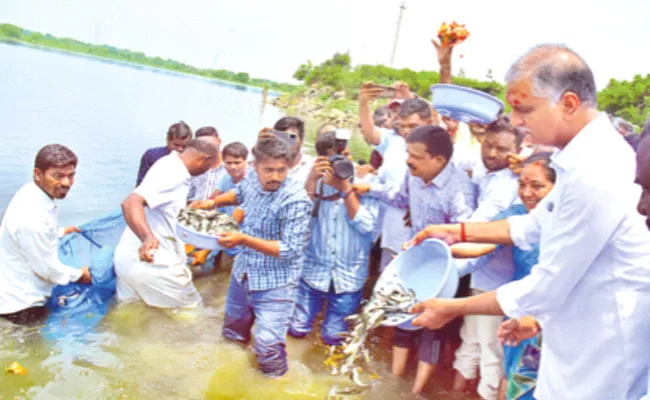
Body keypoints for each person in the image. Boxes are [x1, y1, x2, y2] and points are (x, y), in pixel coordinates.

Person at [407, 44, 650, 400]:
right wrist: (455, 230)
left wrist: (451, 308)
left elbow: (546, 286)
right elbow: (530, 226)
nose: (517, 122)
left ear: (567, 104)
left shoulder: (597, 169)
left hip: (603, 348)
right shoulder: (574, 162)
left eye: (525, 110)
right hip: (571, 337)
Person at [355, 125, 476, 395]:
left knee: (432, 329)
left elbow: (466, 237)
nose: (408, 161)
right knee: (402, 315)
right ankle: (394, 382)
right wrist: (365, 189)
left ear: (439, 160)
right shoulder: (414, 175)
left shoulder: (459, 191)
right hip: (417, 259)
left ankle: (416, 391)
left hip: (448, 269)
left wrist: (441, 261)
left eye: (416, 156)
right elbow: (399, 199)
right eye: (408, 153)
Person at [195, 136, 312, 377]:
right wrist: (212, 201)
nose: (276, 177)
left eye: (282, 170)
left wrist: (243, 239)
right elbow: (239, 194)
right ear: (255, 166)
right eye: (269, 170)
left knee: (268, 345)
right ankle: (233, 374)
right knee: (232, 334)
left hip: (276, 283)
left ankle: (275, 385)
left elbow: (290, 249)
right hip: (244, 272)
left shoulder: (296, 200)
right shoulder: (251, 179)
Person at [452, 153, 556, 400]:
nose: (527, 192)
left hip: (554, 316)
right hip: (520, 309)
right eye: (522, 184)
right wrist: (445, 251)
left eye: (537, 186)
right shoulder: (516, 214)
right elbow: (483, 245)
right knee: (512, 376)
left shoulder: (572, 223)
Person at [451, 116, 522, 400]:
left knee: (491, 353)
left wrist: (442, 268)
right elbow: (455, 162)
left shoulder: (510, 186)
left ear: (517, 150)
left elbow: (475, 234)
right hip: (480, 278)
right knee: (470, 343)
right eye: (488, 145)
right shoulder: (485, 169)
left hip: (500, 286)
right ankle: (453, 393)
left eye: (502, 149)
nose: (492, 153)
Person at [289, 130, 380, 346]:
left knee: (333, 336)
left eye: (345, 156)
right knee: (296, 329)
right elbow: (295, 219)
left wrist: (346, 189)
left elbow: (367, 225)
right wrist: (312, 180)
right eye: (334, 159)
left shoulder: (366, 183)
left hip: (348, 275)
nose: (341, 163)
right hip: (313, 270)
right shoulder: (310, 180)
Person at [115, 136, 221, 308]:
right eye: (208, 167)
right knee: (193, 316)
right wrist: (147, 238)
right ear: (204, 159)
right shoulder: (174, 174)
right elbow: (130, 202)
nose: (206, 171)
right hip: (154, 263)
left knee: (130, 313)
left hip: (127, 258)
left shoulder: (168, 163)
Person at [0, 144, 92, 325]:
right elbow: (47, 269)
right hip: (21, 306)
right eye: (58, 176)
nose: (66, 183)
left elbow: (32, 233)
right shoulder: (33, 217)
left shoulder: (30, 192)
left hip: (9, 292)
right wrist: (80, 275)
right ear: (38, 174)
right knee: (37, 351)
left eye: (71, 175)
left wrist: (60, 232)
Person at [135, 120, 192, 186]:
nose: (180, 149)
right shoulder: (151, 155)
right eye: (176, 145)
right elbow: (141, 183)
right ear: (167, 140)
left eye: (184, 146)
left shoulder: (192, 160)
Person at [187, 126, 226, 202]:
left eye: (210, 144)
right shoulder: (193, 168)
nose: (207, 147)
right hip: (195, 211)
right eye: (202, 144)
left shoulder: (232, 167)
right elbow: (188, 195)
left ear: (219, 141)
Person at [272, 116, 314, 185]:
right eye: (282, 137)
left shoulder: (311, 168)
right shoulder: (264, 165)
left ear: (301, 141)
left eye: (291, 137)